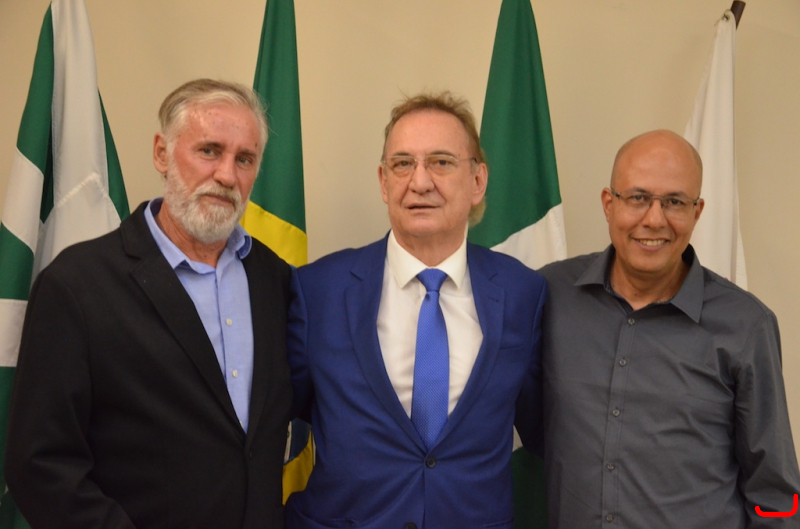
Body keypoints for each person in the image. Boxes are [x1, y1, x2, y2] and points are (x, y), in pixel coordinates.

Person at [5, 79, 293, 528]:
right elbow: (40, 465)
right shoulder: (78, 284)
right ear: (162, 153)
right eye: (209, 150)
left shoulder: (274, 278)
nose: (227, 176)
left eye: (245, 159)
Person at [285, 92, 546, 529]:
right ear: (383, 181)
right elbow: (275, 421)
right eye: (403, 164)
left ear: (478, 180)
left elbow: (542, 429)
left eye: (441, 162)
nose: (419, 182)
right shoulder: (318, 290)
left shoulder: (523, 293)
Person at [540, 129, 800, 528]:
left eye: (675, 202)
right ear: (609, 204)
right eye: (638, 198)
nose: (654, 219)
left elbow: (775, 491)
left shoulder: (747, 325)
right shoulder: (550, 295)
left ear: (697, 212)